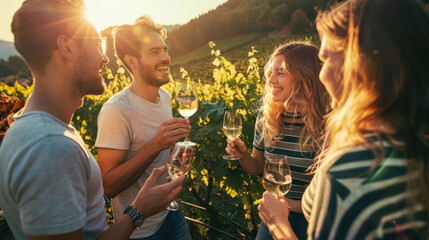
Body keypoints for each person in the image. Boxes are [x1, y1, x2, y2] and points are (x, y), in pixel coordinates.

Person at [0, 1, 185, 239]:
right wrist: (138, 211)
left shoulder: (41, 130)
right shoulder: (50, 147)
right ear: (67, 47)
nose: (105, 58)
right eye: (98, 44)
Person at [258, 0, 429, 239]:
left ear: (358, 66)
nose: (321, 74)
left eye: (326, 60)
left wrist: (277, 224)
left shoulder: (348, 171)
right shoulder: (413, 143)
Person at [95, 16, 192, 239]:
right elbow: (108, 186)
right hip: (141, 231)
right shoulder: (116, 111)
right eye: (155, 51)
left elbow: (162, 159)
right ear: (132, 61)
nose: (167, 57)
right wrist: (156, 144)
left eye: (165, 50)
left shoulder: (165, 97)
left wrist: (177, 156)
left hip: (171, 213)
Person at [226, 41, 330, 240]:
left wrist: (286, 207)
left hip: (315, 222)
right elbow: (257, 168)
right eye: (270, 73)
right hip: (274, 217)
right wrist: (243, 155)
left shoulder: (328, 125)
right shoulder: (268, 118)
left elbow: (330, 195)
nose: (271, 80)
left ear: (305, 77)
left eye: (280, 73)